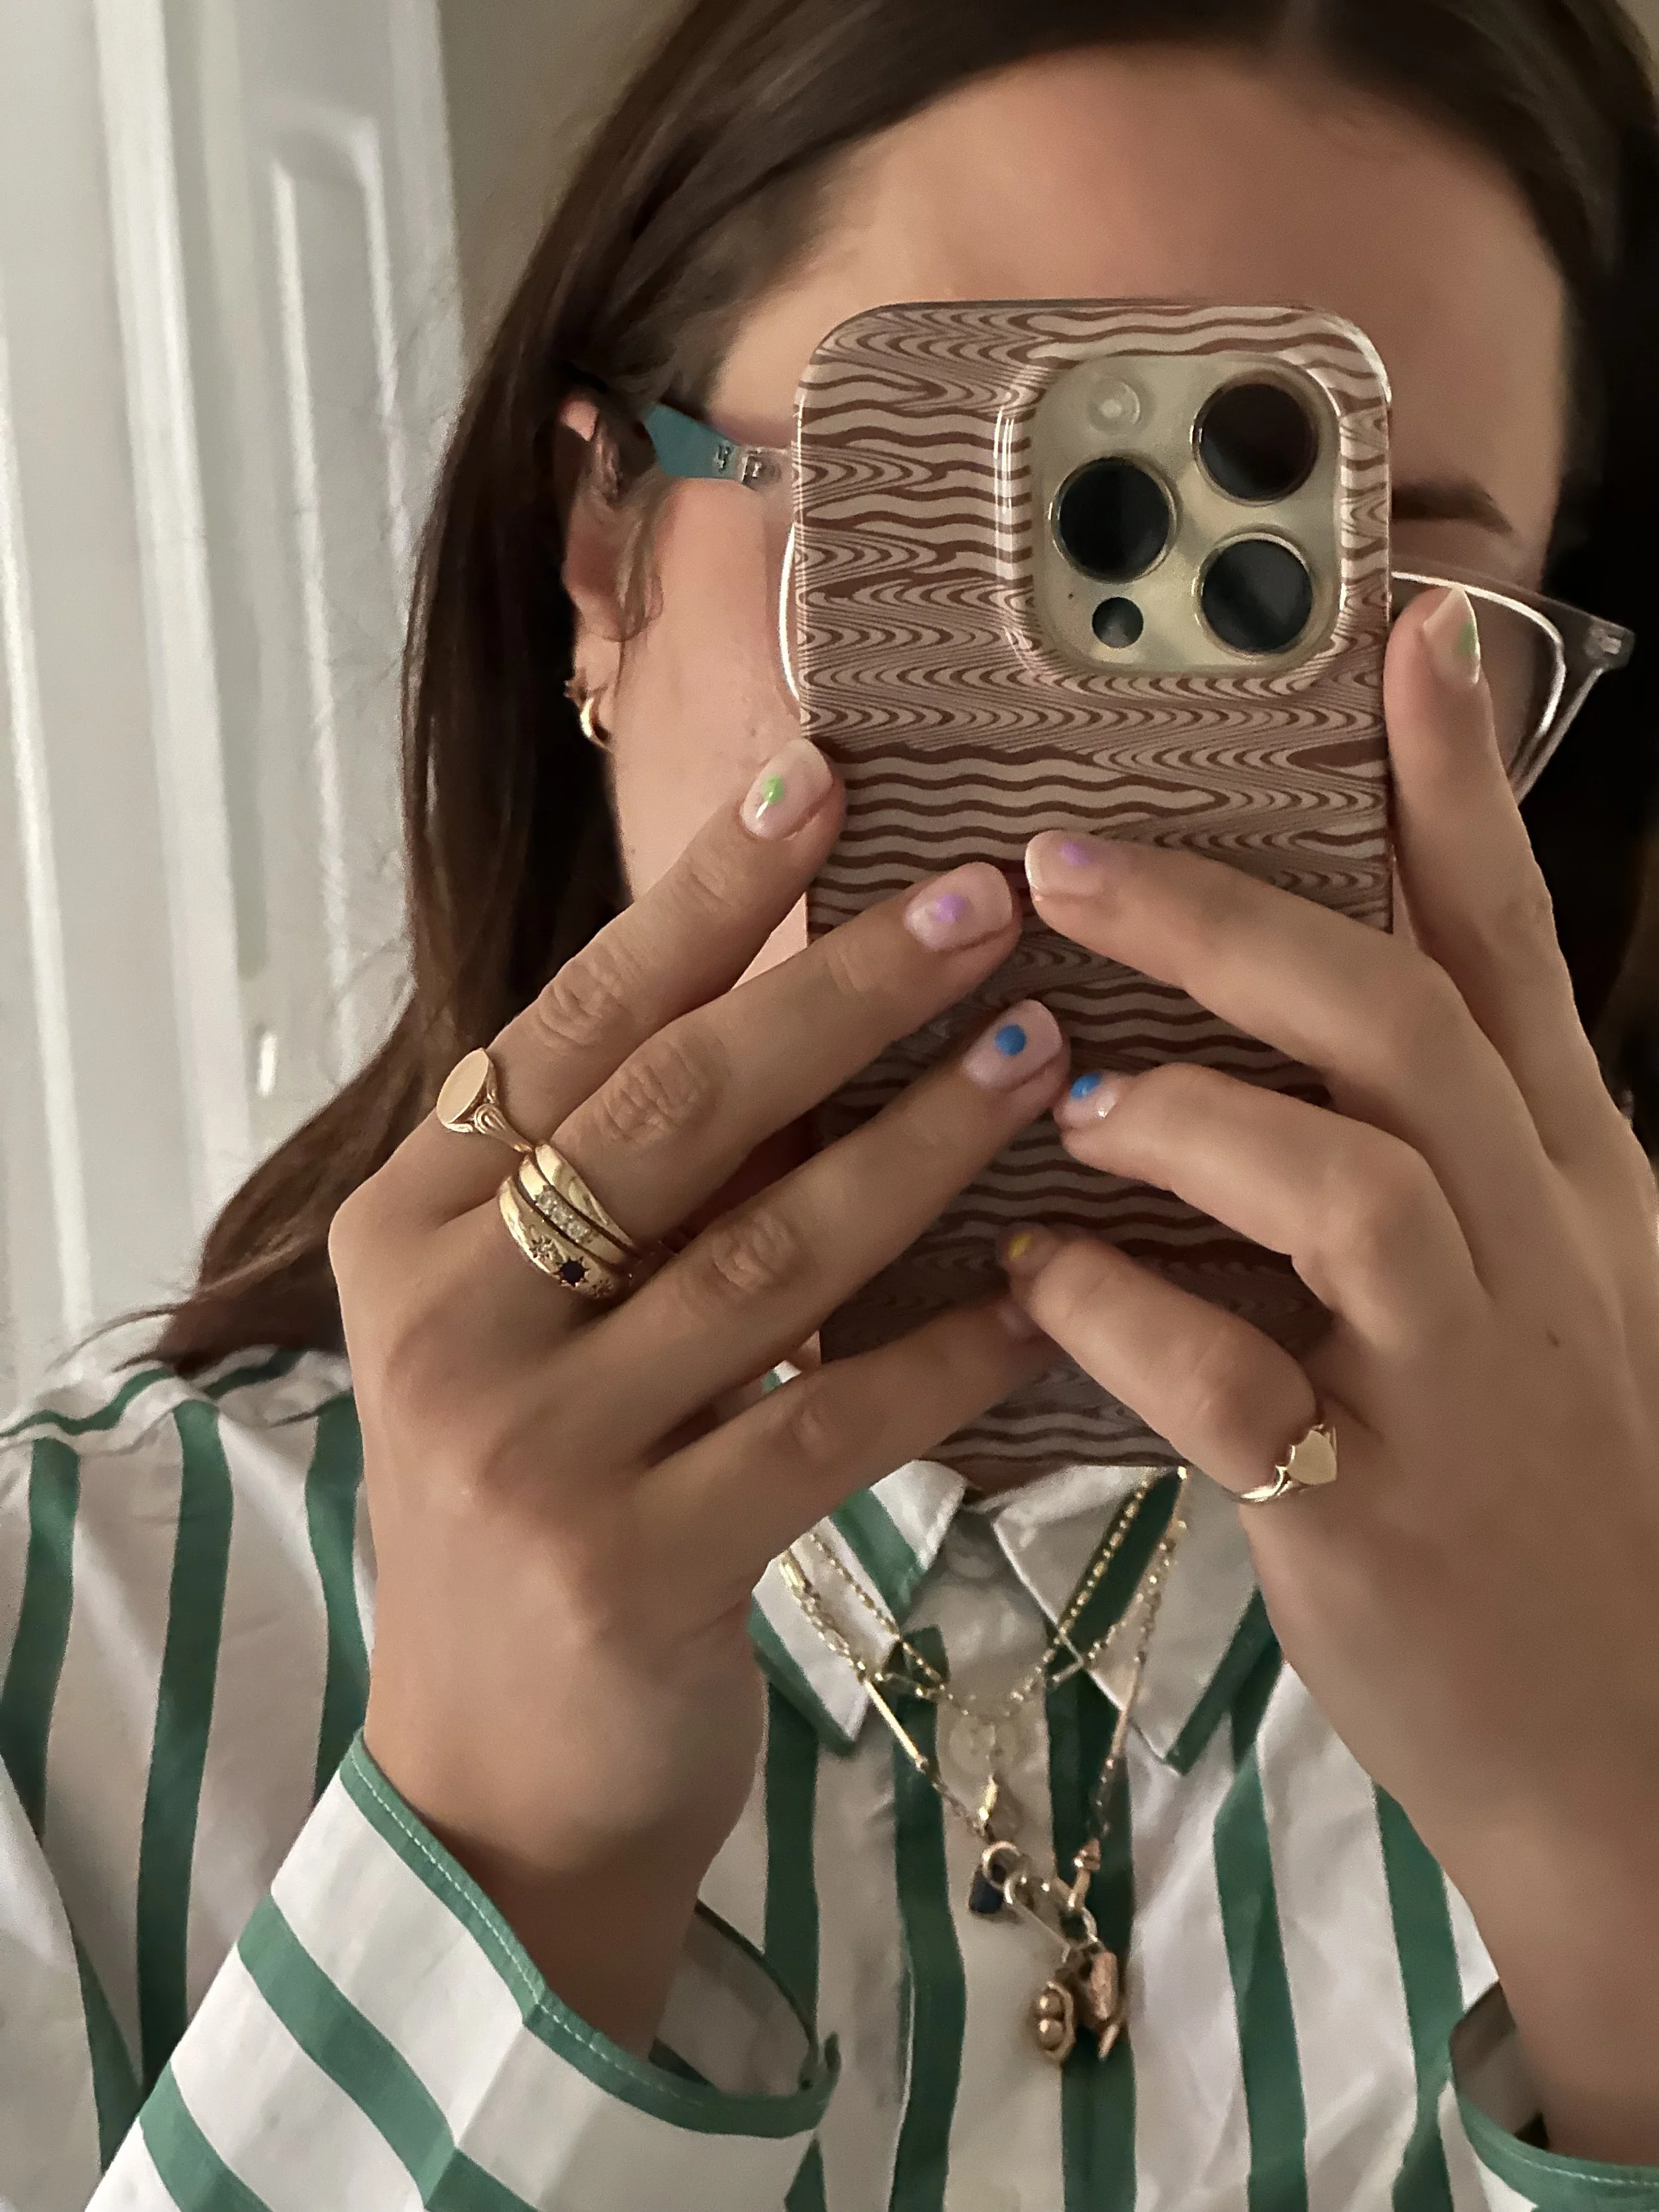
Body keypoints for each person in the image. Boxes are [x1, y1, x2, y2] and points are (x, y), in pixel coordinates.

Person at [5, 0, 1659, 2203]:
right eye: (936, 547)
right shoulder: (53, 1664)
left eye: (1337, 598)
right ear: (600, 554)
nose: (1104, 798)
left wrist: (1618, 1856)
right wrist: (494, 1869)